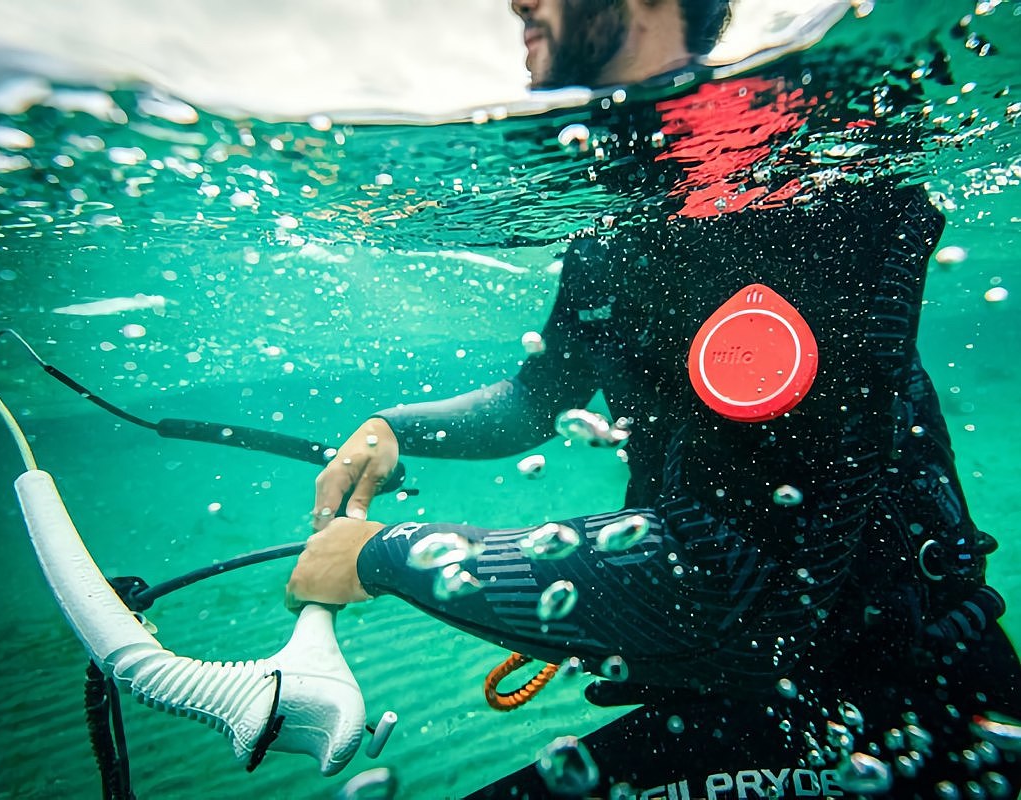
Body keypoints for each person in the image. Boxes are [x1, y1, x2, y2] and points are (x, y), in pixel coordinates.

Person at [287, 1, 1021, 797]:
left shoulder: (782, 192)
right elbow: (538, 398)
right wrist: (392, 429)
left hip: (894, 710)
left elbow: (720, 580)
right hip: (745, 691)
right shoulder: (629, 203)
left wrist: (383, 556)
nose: (516, 2)